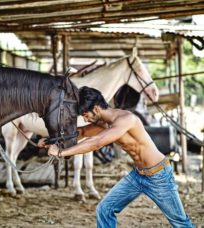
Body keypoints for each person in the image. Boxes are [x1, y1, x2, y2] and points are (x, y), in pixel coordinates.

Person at [45, 86, 194, 228]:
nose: (85, 119)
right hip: (138, 175)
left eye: (86, 115)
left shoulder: (126, 119)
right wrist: (50, 140)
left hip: (158, 175)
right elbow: (82, 133)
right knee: (105, 209)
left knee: (180, 222)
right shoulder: (104, 123)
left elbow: (96, 143)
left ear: (96, 109)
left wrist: (61, 153)